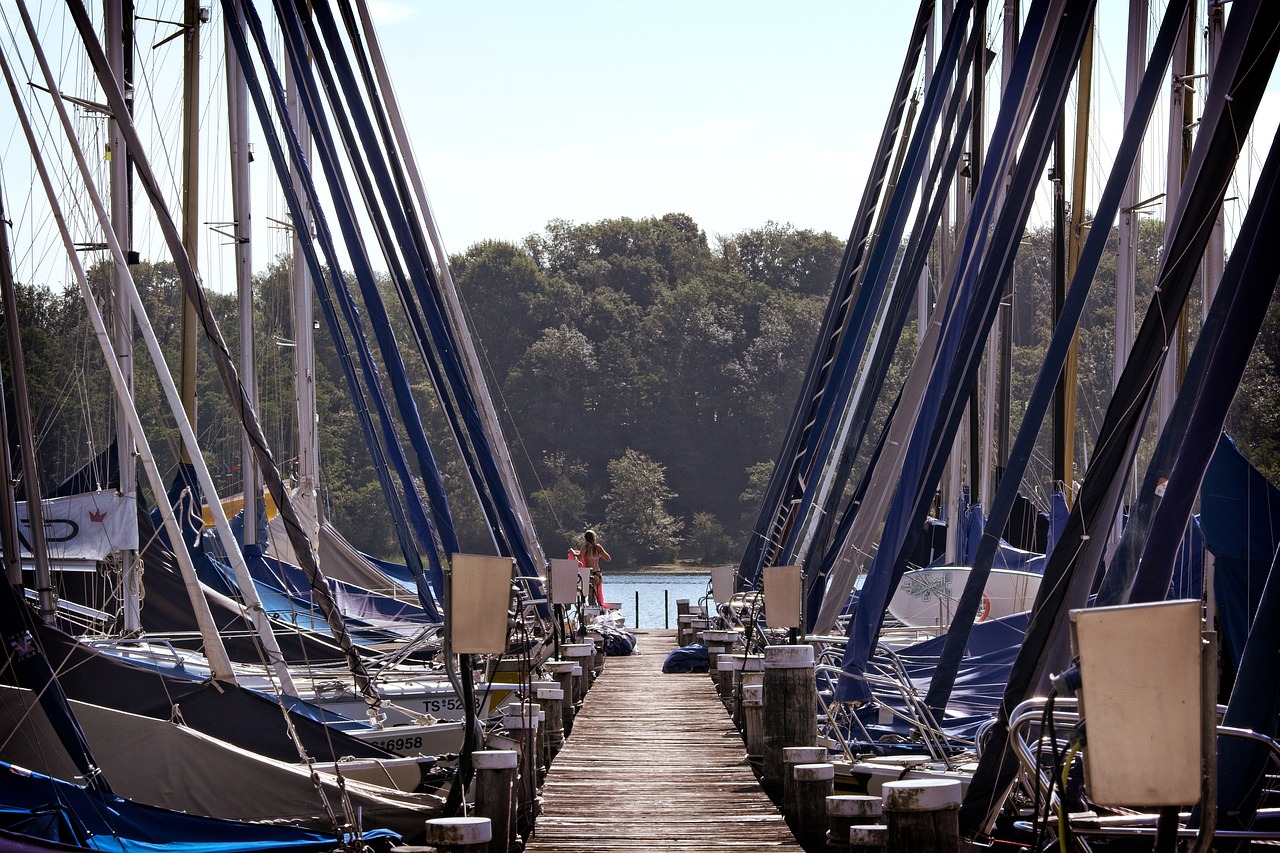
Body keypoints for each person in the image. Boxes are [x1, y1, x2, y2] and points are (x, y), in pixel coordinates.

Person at [580, 529, 610, 607]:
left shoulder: (585, 547)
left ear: (585, 538)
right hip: (599, 574)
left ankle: (591, 614)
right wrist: (598, 555)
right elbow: (608, 558)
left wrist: (572, 552)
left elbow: (579, 558)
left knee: (591, 596)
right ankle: (597, 613)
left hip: (591, 574)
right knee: (596, 596)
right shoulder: (598, 547)